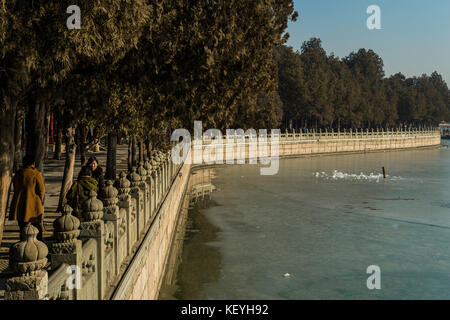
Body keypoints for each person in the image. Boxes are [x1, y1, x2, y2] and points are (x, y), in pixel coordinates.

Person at [9, 155, 45, 241]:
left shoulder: (18, 173)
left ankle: (23, 243)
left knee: (22, 227)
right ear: (33, 163)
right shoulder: (36, 174)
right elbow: (41, 190)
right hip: (33, 206)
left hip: (19, 204)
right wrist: (40, 201)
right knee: (37, 228)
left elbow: (15, 186)